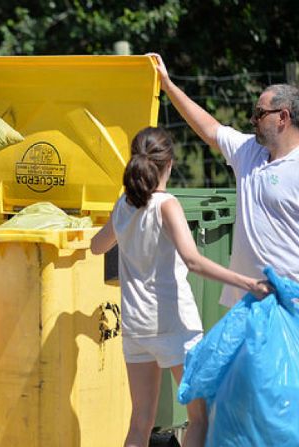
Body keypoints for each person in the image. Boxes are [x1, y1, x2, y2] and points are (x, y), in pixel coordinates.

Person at [90, 127, 270, 447]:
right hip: (175, 323)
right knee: (198, 416)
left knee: (140, 421)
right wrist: (248, 282)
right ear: (169, 164)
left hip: (136, 326)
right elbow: (193, 261)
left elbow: (96, 247)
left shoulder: (124, 205)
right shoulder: (167, 204)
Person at [149, 53, 299, 308]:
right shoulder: (249, 151)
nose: (253, 119)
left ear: (282, 117)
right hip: (246, 300)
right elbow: (209, 129)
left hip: (289, 304)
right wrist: (168, 85)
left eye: (260, 113)